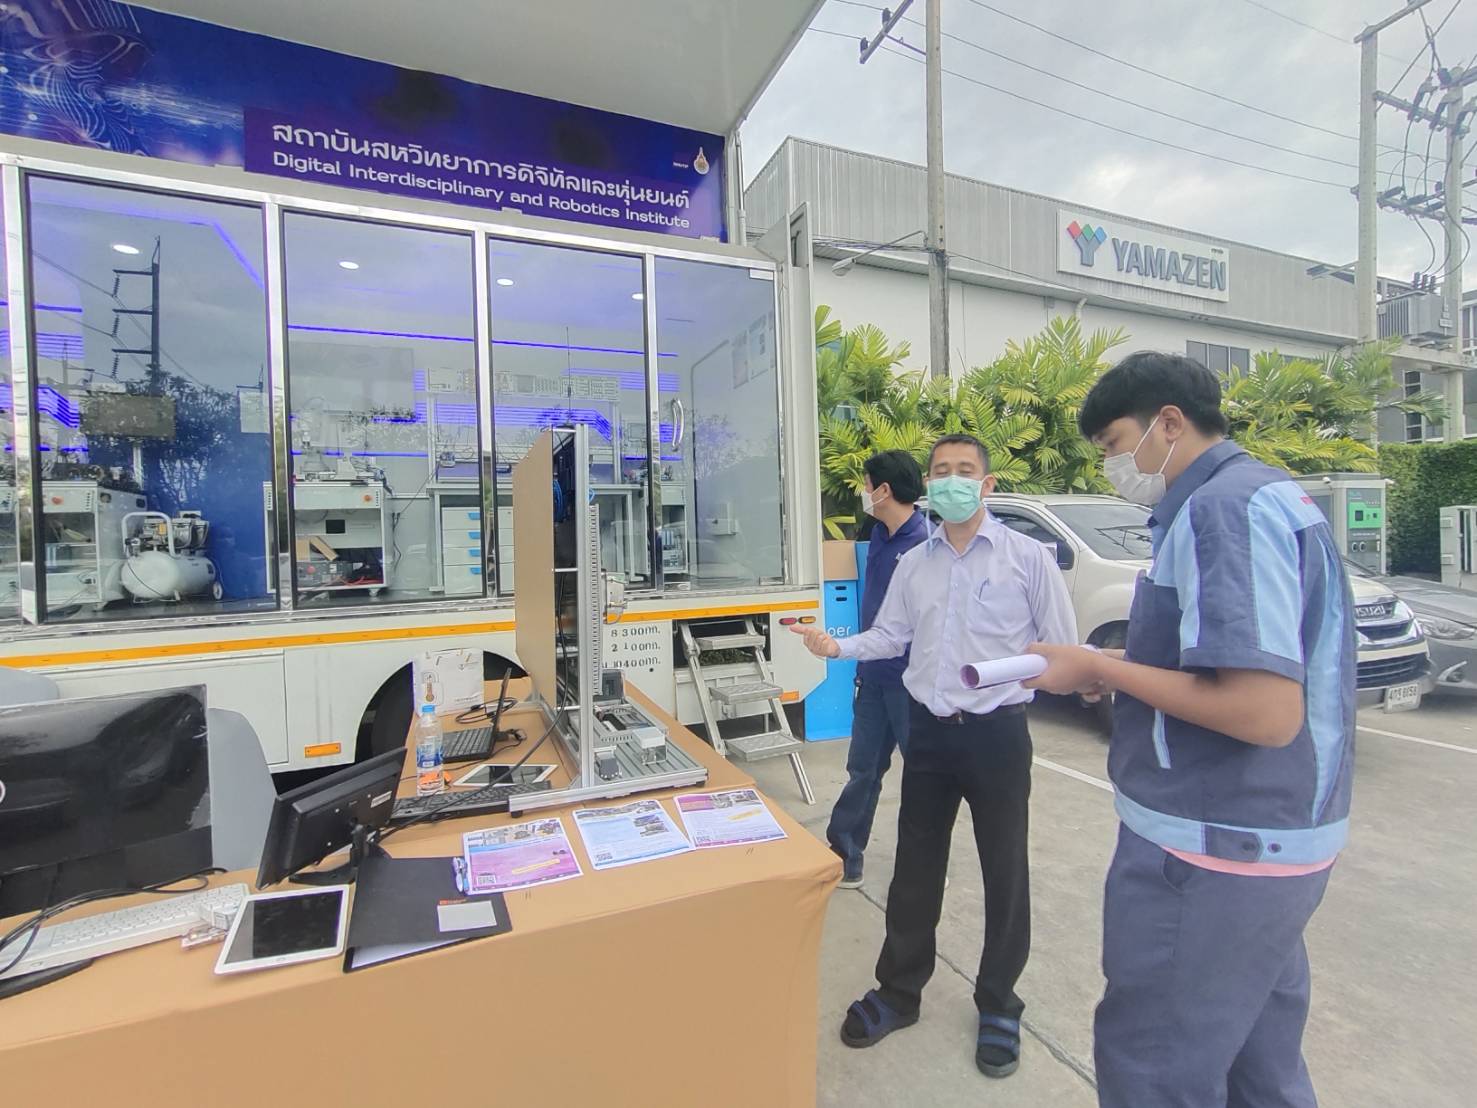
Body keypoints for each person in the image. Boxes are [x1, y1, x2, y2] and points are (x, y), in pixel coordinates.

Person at [1025, 351, 1356, 1108]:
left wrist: (1097, 666)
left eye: (1114, 444)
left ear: (1168, 423)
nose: (1113, 466)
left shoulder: (1221, 509)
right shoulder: (1270, 493)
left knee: (1154, 1066)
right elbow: (1221, 662)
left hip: (1210, 850)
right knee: (1258, 1069)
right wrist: (1114, 667)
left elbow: (1263, 710)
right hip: (1273, 842)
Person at [792, 433, 1076, 1080]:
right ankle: (898, 991)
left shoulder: (1027, 558)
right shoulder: (914, 563)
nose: (951, 479)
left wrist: (1025, 673)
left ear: (987, 484)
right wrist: (835, 647)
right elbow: (891, 635)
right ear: (927, 484)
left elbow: (1060, 651)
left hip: (997, 735)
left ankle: (999, 1002)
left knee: (1005, 869)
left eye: (964, 470)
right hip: (928, 731)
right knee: (915, 867)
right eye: (940, 470)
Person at [827, 449, 928, 890]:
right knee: (863, 769)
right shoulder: (879, 536)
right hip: (873, 676)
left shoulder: (926, 543)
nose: (864, 493)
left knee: (925, 777)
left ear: (884, 490)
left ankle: (925, 861)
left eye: (867, 485)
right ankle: (845, 853)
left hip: (912, 683)